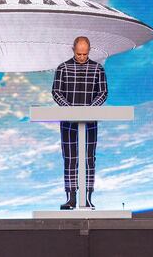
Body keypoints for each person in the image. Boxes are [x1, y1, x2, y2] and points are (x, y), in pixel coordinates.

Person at [51, 36, 108, 210]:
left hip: (89, 122)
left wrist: (91, 108)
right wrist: (69, 109)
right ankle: (71, 198)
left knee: (89, 158)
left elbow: (103, 93)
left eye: (85, 54)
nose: (82, 57)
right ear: (73, 50)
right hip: (68, 123)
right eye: (79, 53)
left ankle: (88, 197)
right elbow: (56, 91)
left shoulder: (97, 69)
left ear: (89, 51)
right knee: (70, 158)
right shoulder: (63, 68)